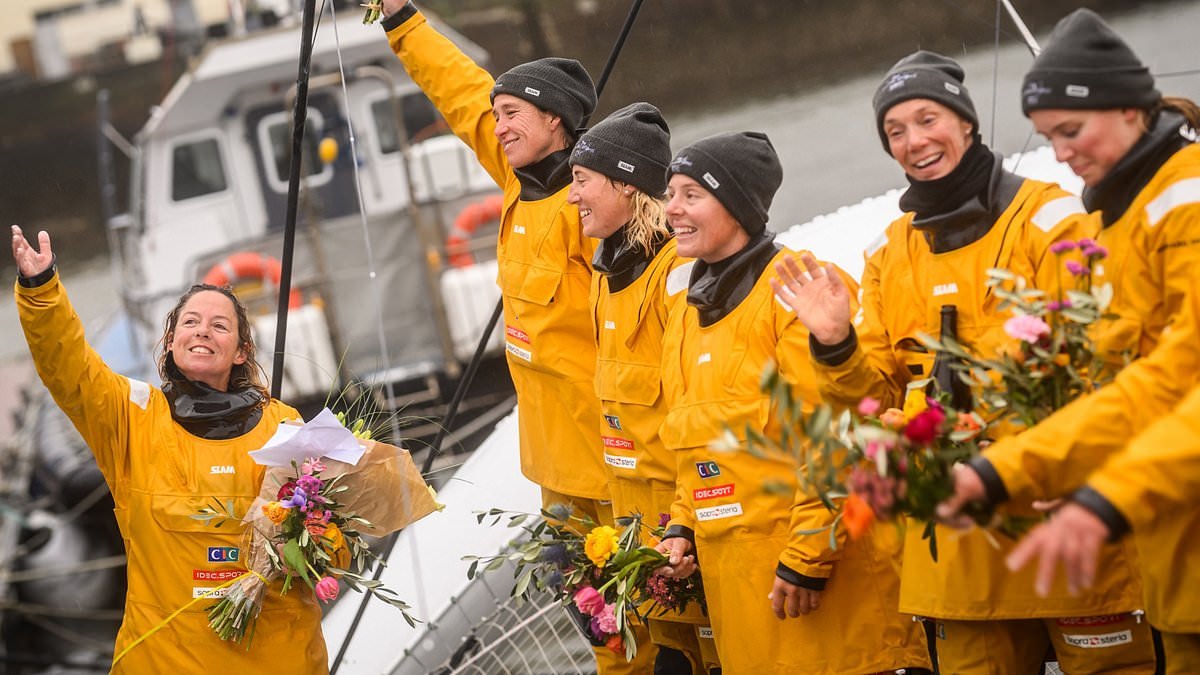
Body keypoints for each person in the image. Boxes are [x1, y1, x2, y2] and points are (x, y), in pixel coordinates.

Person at [773, 49, 1159, 673]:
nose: (914, 141)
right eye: (895, 131)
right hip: (955, 544)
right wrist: (836, 342)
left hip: (1062, 515)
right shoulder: (888, 254)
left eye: (928, 120)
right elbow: (870, 402)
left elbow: (1105, 360)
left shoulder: (1049, 218)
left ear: (967, 122)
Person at [377, 3, 655, 670]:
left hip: (614, 461)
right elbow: (459, 91)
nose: (498, 125)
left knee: (649, 616)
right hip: (553, 466)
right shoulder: (513, 177)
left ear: (555, 120)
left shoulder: (591, 209)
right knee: (598, 623)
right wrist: (400, 19)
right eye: (497, 115)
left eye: (513, 114)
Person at [934, 8, 1200, 670]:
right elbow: (1136, 385)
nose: (1059, 154)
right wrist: (1016, 470)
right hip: (1175, 568)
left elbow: (1181, 381)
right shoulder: (1122, 218)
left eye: (1071, 130)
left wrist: (1104, 498)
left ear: (1131, 108)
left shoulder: (1185, 203)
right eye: (1049, 137)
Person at [652, 132, 930, 673]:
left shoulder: (798, 291)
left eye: (691, 195)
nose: (672, 210)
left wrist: (808, 558)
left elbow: (840, 438)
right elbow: (695, 445)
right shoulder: (686, 312)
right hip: (742, 609)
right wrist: (681, 528)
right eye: (670, 194)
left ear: (737, 205)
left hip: (825, 601)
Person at [11, 225, 327, 673]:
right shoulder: (132, 418)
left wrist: (318, 537)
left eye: (219, 325)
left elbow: (328, 544)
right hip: (165, 662)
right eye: (190, 322)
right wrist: (42, 290)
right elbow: (70, 369)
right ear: (171, 341)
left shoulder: (283, 426)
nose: (203, 332)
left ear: (242, 351)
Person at [567, 102, 719, 674]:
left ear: (627, 185)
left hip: (684, 536)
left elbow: (698, 406)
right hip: (638, 531)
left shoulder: (675, 276)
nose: (572, 196)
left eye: (582, 180)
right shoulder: (607, 274)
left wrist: (687, 528)